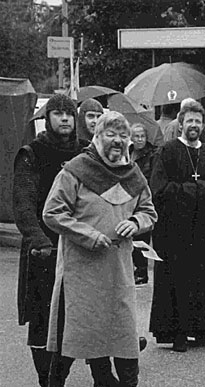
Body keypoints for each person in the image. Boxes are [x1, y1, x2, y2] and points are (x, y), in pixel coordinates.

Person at [42, 111, 157, 387]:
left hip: (119, 273)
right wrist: (89, 235)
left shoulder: (133, 174)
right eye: (111, 134)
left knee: (124, 344)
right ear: (97, 136)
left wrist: (135, 222)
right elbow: (52, 212)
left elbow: (149, 211)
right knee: (70, 345)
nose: (117, 141)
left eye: (123, 136)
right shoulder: (76, 170)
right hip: (82, 275)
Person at [12, 94, 90, 387]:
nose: (65, 118)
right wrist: (38, 240)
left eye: (69, 113)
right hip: (43, 250)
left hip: (80, 247)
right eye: (58, 113)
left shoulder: (86, 153)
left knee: (79, 316)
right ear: (48, 118)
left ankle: (78, 373)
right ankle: (46, 379)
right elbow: (23, 203)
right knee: (43, 322)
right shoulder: (32, 153)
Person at [149, 98, 205, 353]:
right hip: (175, 229)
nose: (194, 125)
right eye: (189, 120)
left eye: (198, 121)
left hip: (202, 228)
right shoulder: (168, 151)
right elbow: (159, 189)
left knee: (203, 278)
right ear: (181, 123)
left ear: (203, 125)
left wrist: (196, 191)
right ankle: (178, 333)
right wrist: (194, 192)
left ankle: (201, 330)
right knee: (178, 280)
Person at [129, 123, 157, 285]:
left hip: (144, 199)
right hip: (129, 198)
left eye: (142, 136)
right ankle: (136, 269)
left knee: (142, 237)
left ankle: (142, 271)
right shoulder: (129, 152)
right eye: (137, 136)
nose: (140, 139)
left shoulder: (151, 154)